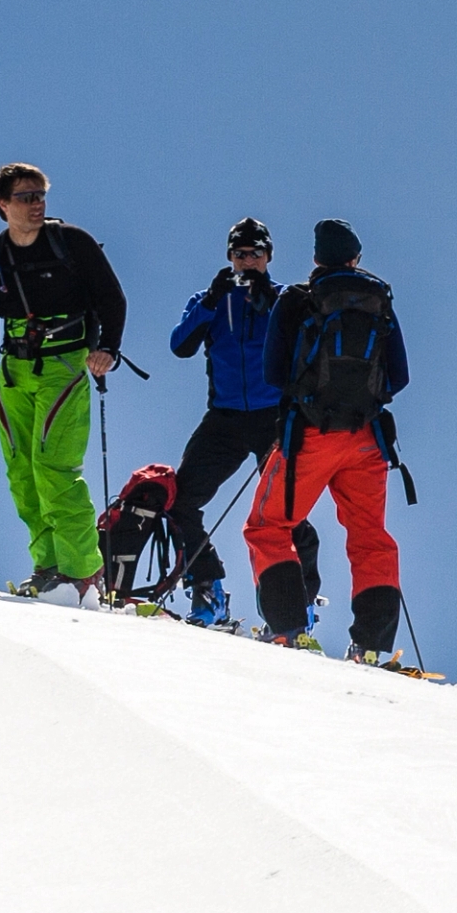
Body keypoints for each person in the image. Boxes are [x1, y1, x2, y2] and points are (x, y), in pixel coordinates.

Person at [0, 164, 125, 599]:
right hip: (13, 373)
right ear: (4, 205)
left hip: (65, 364)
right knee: (22, 472)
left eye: (40, 195)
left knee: (54, 468)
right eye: (26, 197)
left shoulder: (72, 243)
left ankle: (81, 573)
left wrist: (107, 349)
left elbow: (111, 298)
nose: (37, 204)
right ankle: (48, 567)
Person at [245, 218, 409, 664]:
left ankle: (286, 629)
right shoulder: (380, 299)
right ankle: (372, 646)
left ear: (316, 258)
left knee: (269, 525)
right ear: (356, 257)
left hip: (309, 435)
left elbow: (273, 372)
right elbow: (400, 376)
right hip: (367, 438)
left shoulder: (297, 299)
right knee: (370, 536)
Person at [165, 217, 294, 628]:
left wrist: (270, 300)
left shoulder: (285, 298)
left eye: (256, 254)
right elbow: (180, 346)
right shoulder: (210, 298)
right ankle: (208, 590)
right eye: (240, 254)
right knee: (180, 501)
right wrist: (211, 301)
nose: (248, 261)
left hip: (273, 416)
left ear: (269, 256)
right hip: (224, 418)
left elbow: (305, 343)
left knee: (288, 512)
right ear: (230, 258)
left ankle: (294, 611)